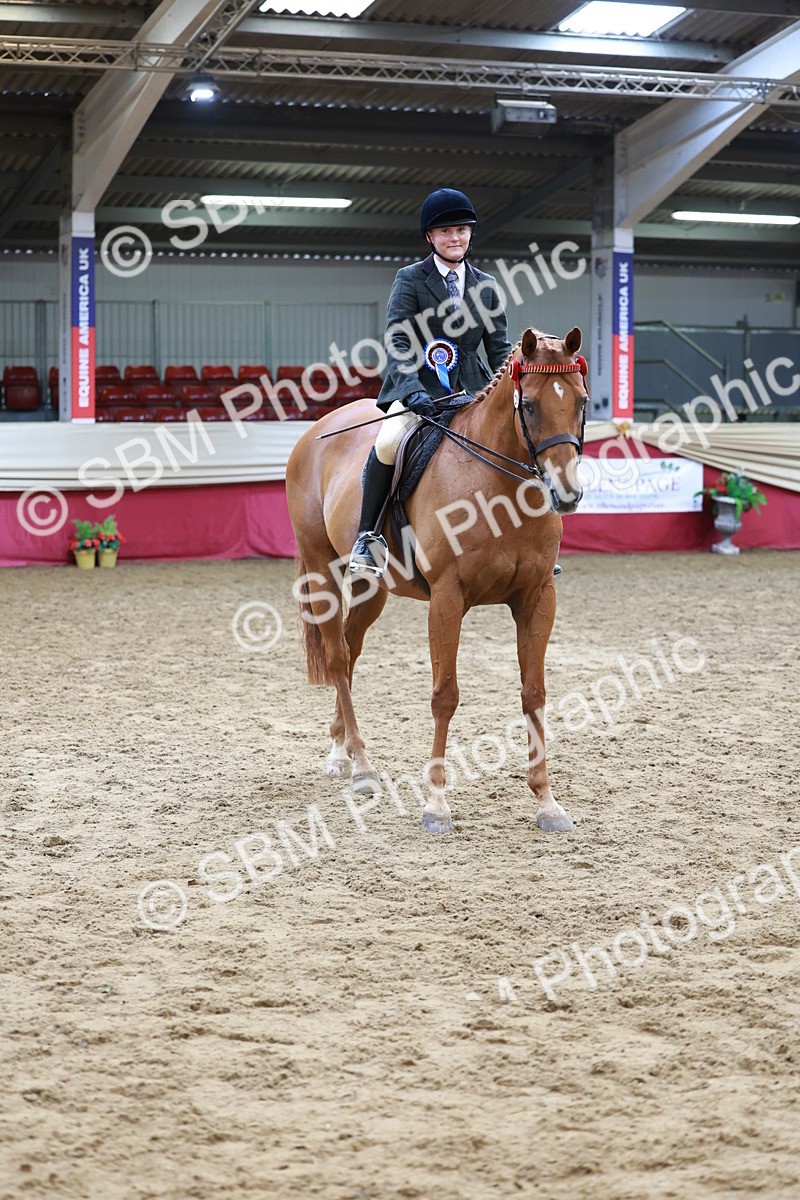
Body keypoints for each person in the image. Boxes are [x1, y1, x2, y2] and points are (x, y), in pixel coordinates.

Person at [349, 188, 513, 578]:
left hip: (474, 392)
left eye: (461, 230)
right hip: (419, 391)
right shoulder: (410, 278)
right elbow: (398, 338)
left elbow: (500, 346)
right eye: (445, 232)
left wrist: (510, 388)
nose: (455, 238)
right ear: (430, 238)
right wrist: (410, 389)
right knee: (389, 442)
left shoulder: (486, 285)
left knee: (520, 439)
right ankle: (367, 537)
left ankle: (530, 540)